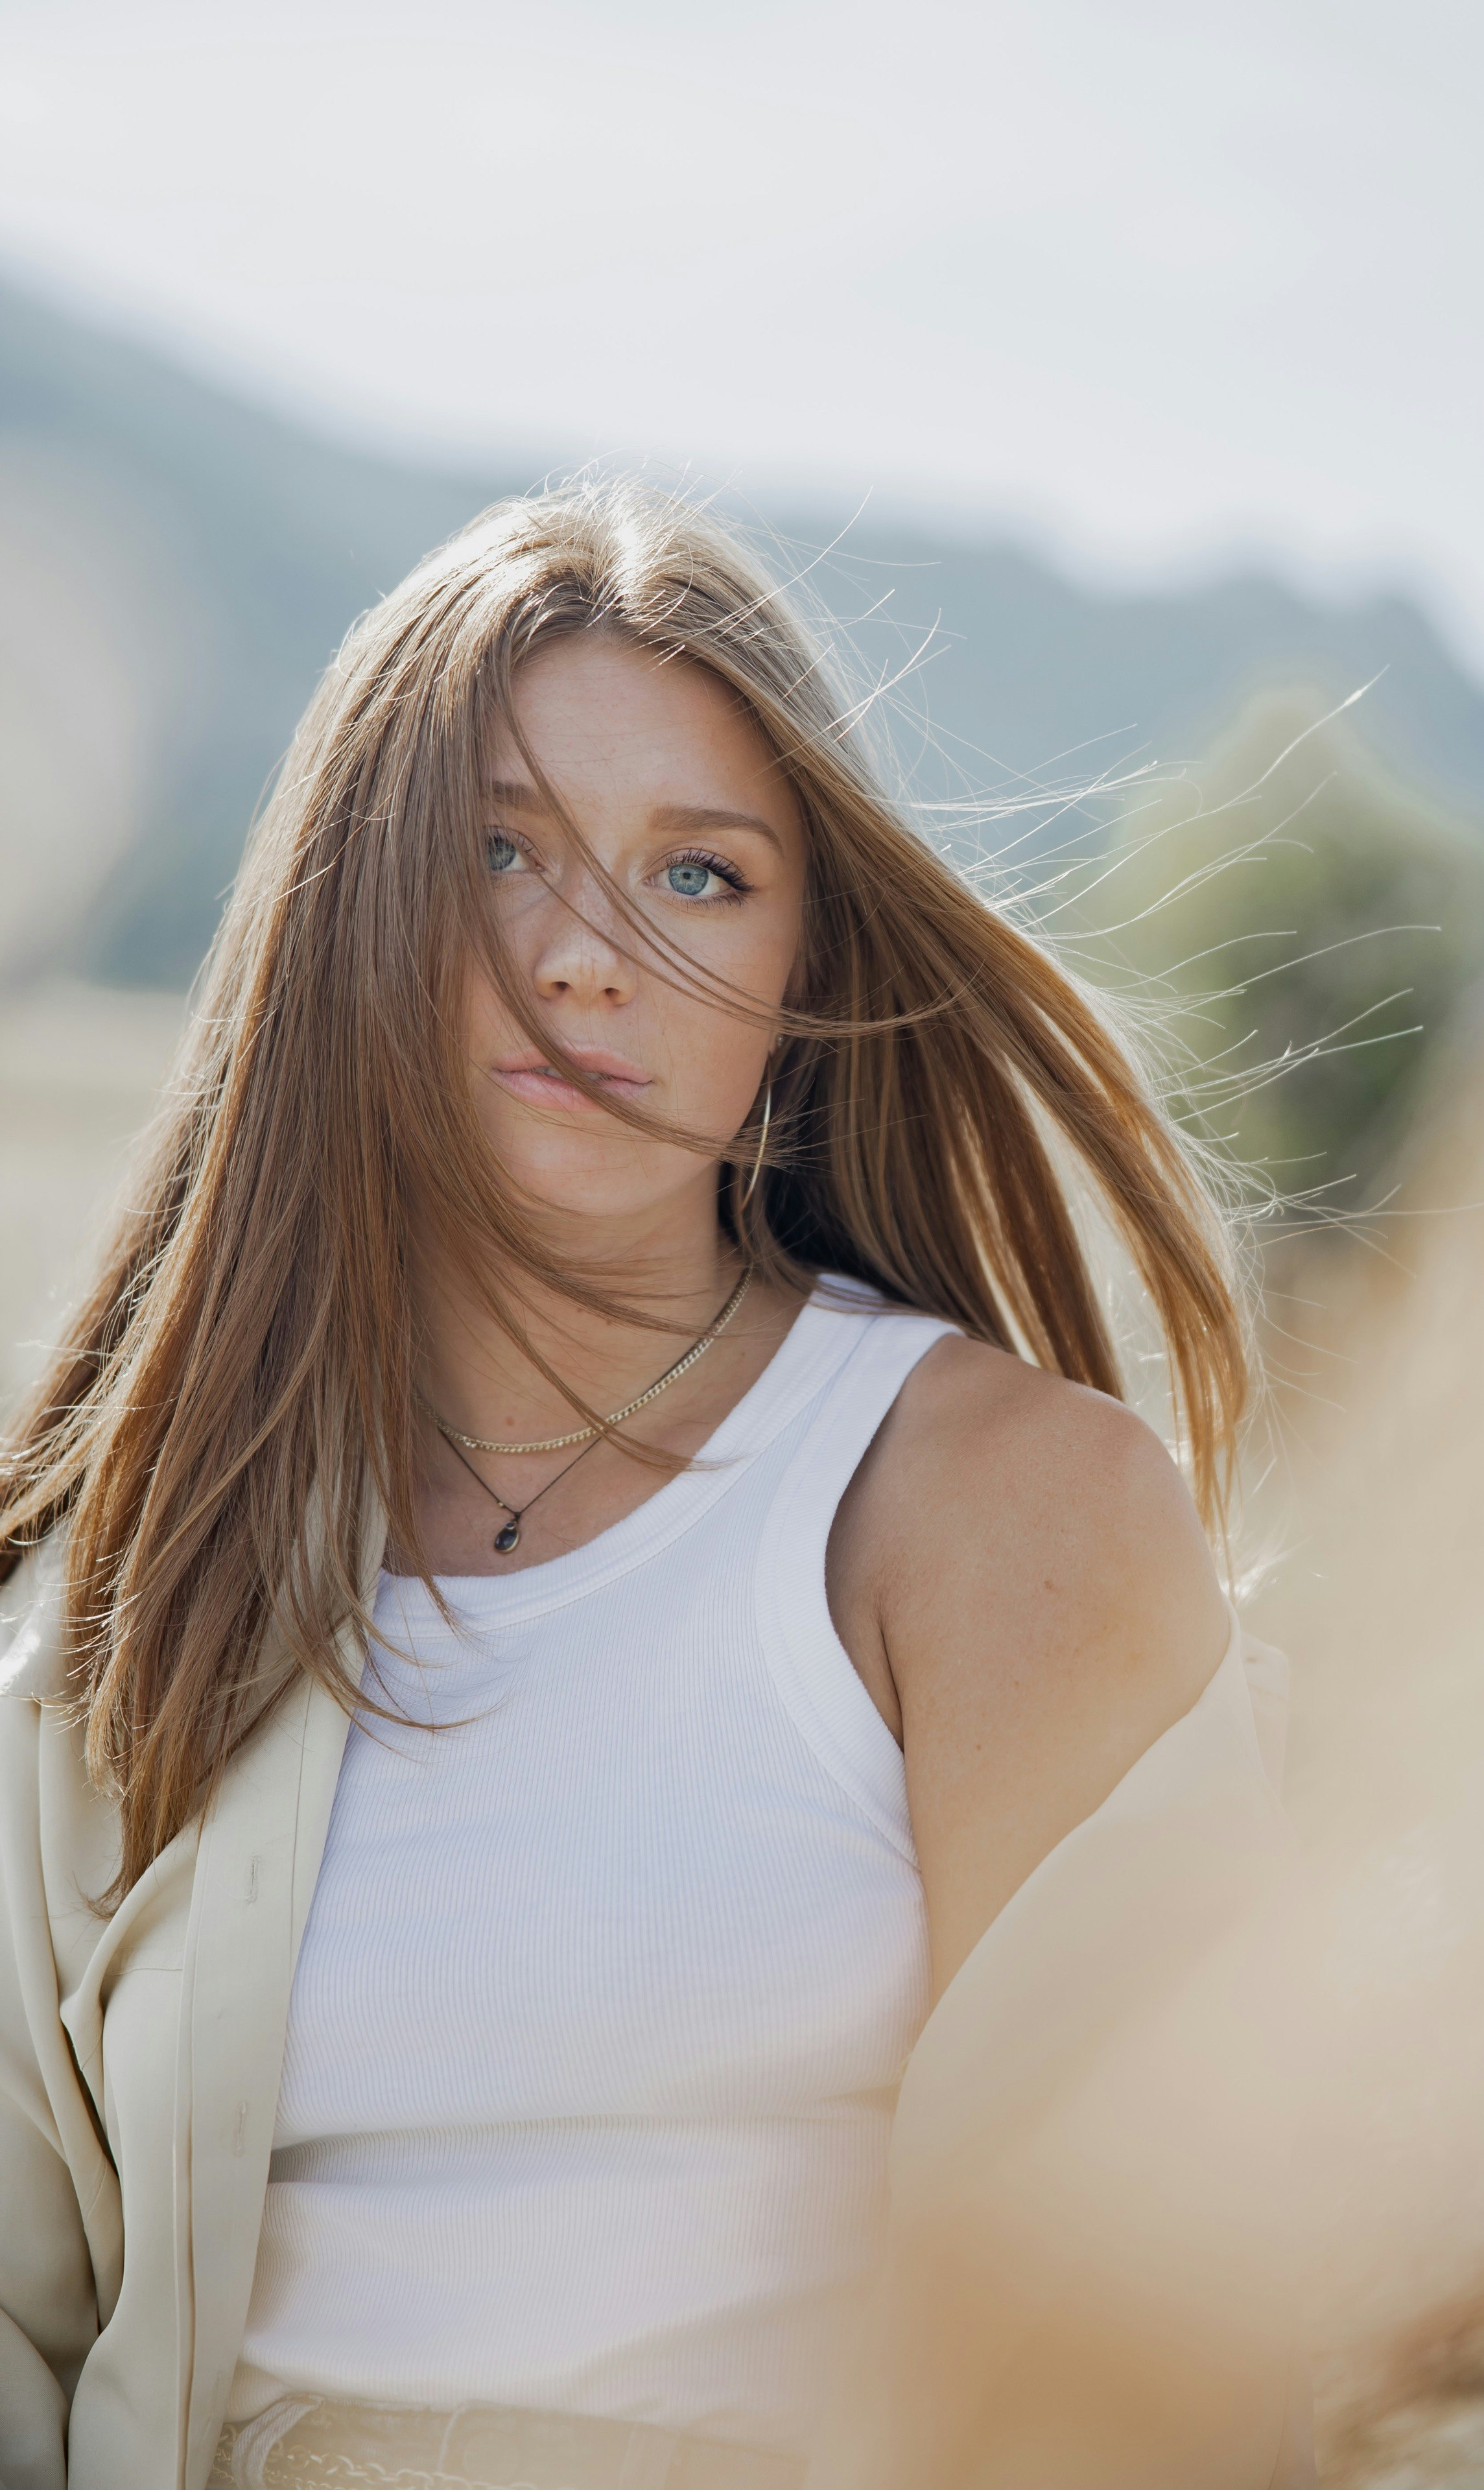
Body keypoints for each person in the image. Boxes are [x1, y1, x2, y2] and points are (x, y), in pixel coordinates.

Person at [0, 489, 1304, 2490]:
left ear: (800, 973)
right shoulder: (141, 1582)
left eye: (698, 879)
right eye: (497, 848)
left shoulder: (1002, 1517)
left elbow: (1147, 2347)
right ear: (349, 914)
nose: (584, 956)